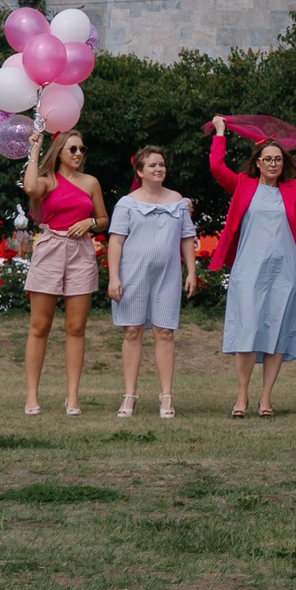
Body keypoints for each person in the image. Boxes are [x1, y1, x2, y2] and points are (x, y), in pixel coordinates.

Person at [208, 119, 296, 420]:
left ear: (284, 163)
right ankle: (241, 396)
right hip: (249, 268)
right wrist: (220, 134)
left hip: (285, 270)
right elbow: (216, 167)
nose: (273, 163)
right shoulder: (242, 184)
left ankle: (265, 398)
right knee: (248, 329)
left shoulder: (292, 190)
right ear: (258, 163)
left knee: (276, 330)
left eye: (278, 159)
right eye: (268, 159)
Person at [20, 127, 108, 415]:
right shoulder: (47, 181)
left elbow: (103, 218)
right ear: (59, 152)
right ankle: (32, 396)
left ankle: (72, 397)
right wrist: (34, 151)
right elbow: (30, 189)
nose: (79, 154)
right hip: (51, 248)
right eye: (73, 149)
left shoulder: (90, 182)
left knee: (76, 328)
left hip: (81, 251)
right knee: (40, 326)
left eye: (82, 149)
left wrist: (90, 224)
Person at [105, 145, 197, 419]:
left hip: (167, 275)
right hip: (132, 274)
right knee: (132, 331)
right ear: (140, 171)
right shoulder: (127, 203)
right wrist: (113, 277)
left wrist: (191, 271)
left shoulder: (178, 201)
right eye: (152, 165)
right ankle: (129, 396)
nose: (159, 169)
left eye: (162, 164)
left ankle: (166, 397)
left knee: (164, 332)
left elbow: (186, 238)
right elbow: (116, 242)